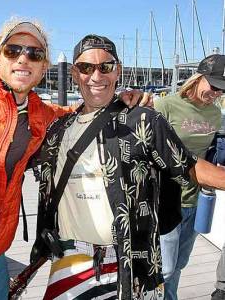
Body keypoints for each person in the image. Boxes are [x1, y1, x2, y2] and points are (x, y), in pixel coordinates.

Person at [0, 18, 148, 300]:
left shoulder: (41, 114)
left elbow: (81, 112)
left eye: (35, 53)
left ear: (44, 67)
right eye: (13, 50)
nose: (23, 59)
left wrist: (126, 98)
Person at [30, 34, 225, 300]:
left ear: (117, 70)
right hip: (70, 262)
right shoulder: (57, 130)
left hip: (132, 268)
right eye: (86, 67)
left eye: (105, 66)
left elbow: (190, 167)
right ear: (75, 73)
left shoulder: (144, 120)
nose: (96, 76)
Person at [154, 54, 225, 300]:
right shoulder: (165, 106)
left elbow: (211, 153)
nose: (216, 93)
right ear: (197, 78)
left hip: (196, 201)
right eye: (214, 86)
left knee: (180, 264)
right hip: (166, 201)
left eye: (222, 90)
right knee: (165, 268)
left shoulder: (216, 115)